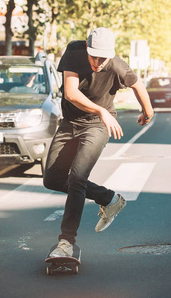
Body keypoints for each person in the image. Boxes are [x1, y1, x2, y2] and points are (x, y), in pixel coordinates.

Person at [43, 27, 154, 257]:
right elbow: (71, 93)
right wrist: (101, 110)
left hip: (97, 127)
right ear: (87, 48)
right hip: (70, 122)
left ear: (111, 54)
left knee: (77, 178)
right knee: (52, 179)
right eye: (94, 56)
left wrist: (148, 112)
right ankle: (109, 199)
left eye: (103, 58)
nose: (98, 62)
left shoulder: (117, 65)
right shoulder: (74, 51)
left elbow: (137, 84)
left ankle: (66, 242)